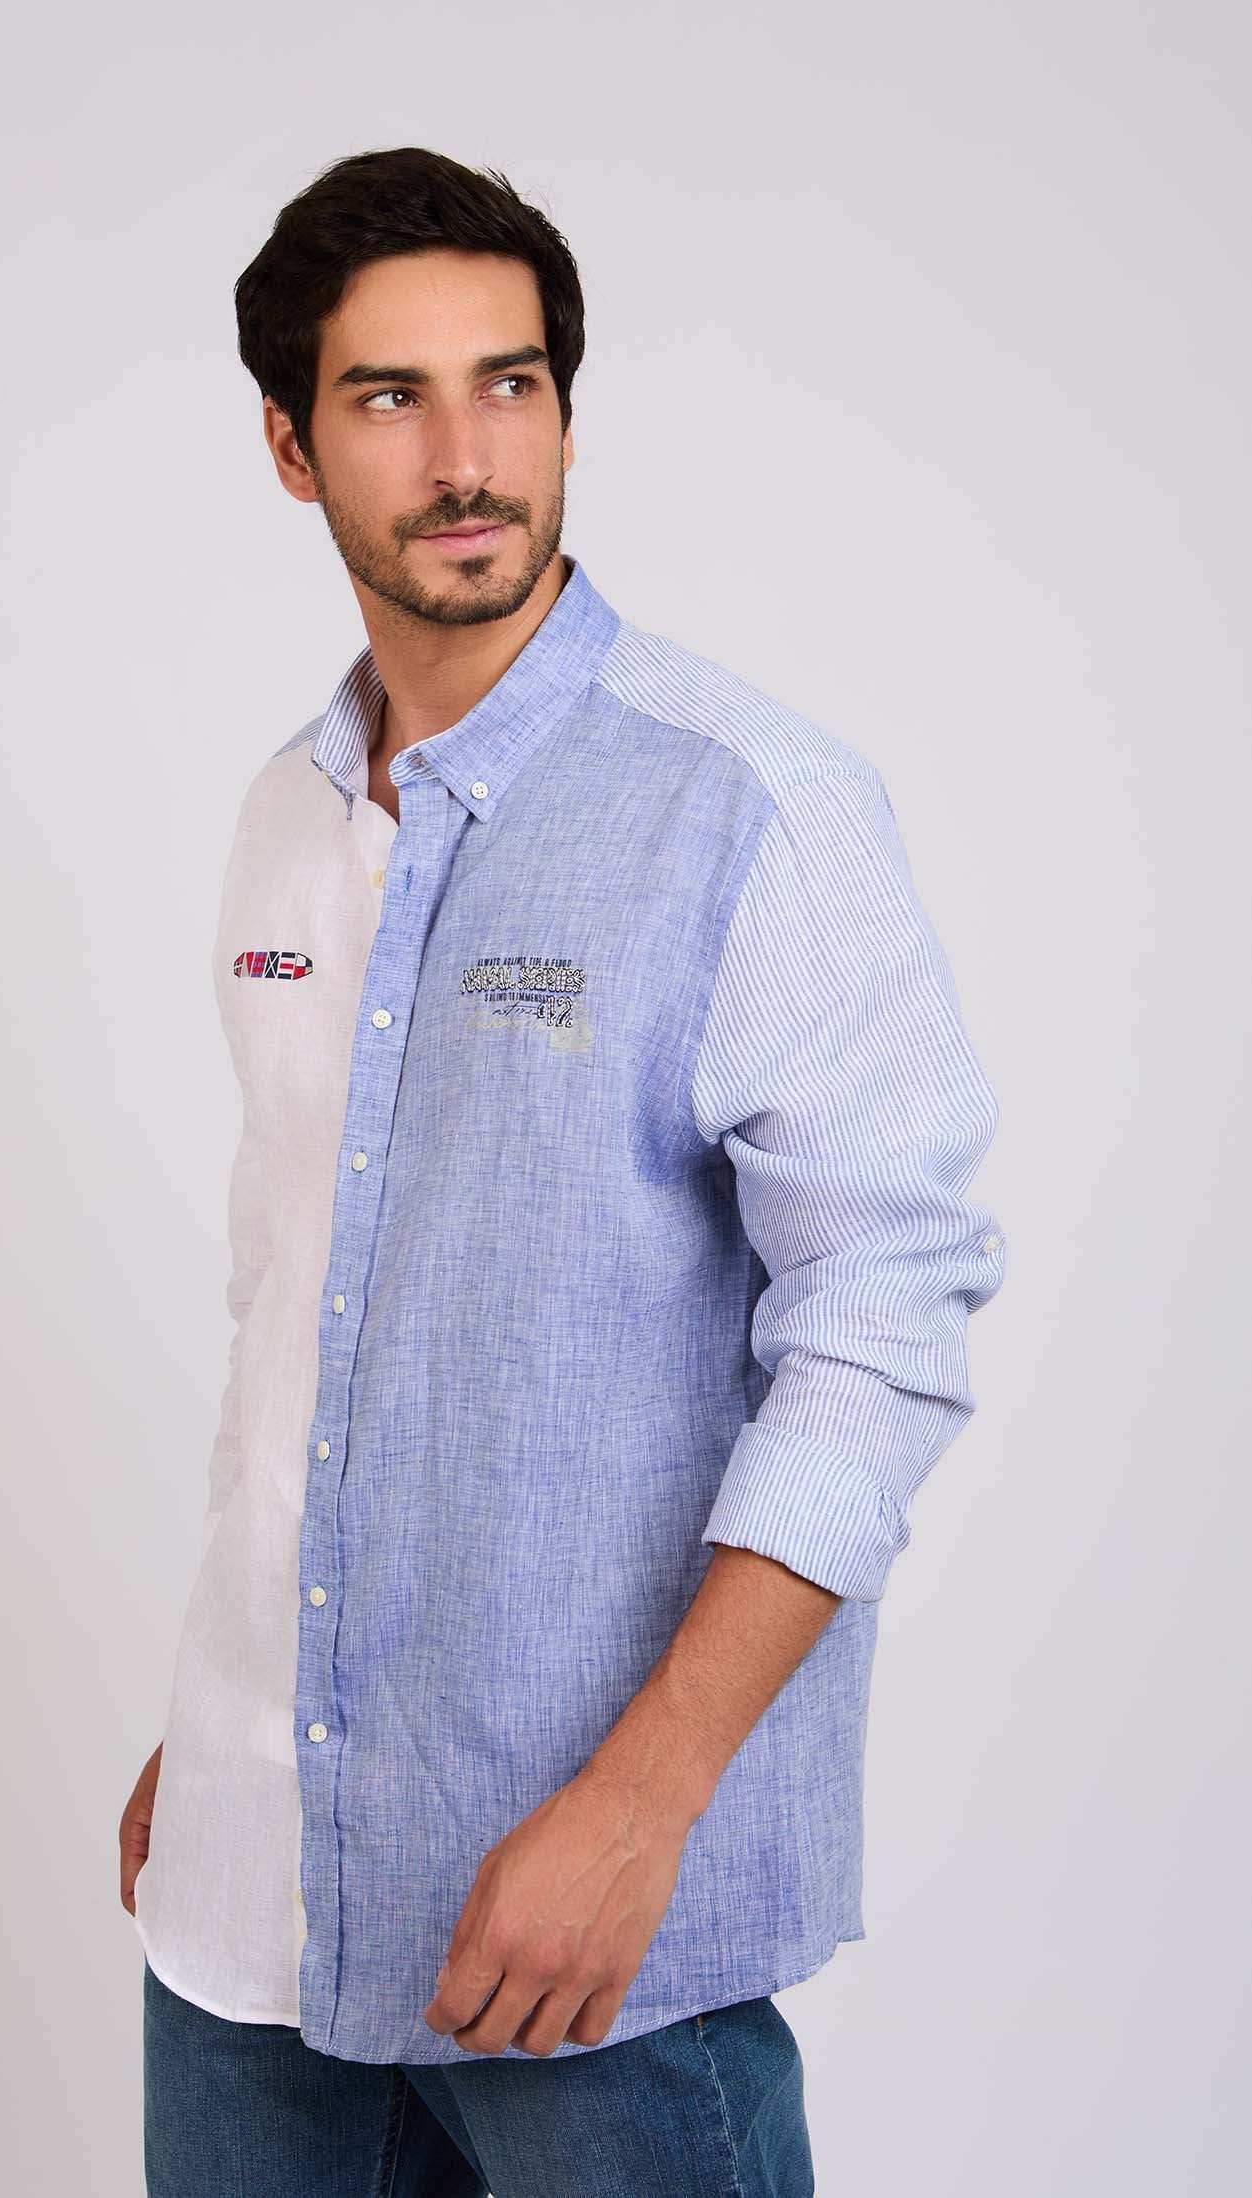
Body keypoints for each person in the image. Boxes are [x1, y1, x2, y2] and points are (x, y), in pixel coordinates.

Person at [120, 144, 1007, 2198]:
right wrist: (239, 1716)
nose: (464, 459)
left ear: (566, 413)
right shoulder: (281, 821)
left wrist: (641, 1803)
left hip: (584, 1919)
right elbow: (297, 1294)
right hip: (250, 1895)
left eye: (508, 386)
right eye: (389, 397)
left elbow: (878, 1329)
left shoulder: (748, 805)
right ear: (289, 447)